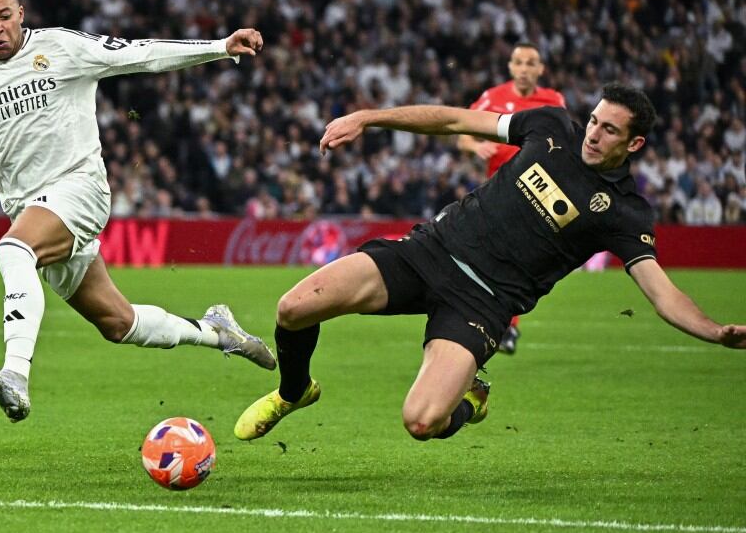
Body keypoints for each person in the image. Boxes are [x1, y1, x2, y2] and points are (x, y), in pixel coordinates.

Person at [235, 83, 746, 443]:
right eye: (593, 120)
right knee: (294, 307)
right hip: (429, 252)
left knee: (421, 422)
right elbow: (455, 120)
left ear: (634, 144)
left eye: (609, 130)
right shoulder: (549, 127)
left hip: (482, 304)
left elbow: (661, 293)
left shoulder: (625, 212)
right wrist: (368, 117)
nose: (593, 134)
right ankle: (294, 391)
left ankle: (470, 397)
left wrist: (715, 331)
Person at [0, 0, 276, 422]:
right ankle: (216, 331)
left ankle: (15, 376)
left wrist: (219, 47)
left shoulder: (62, 47)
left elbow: (140, 54)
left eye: (5, 16)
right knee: (119, 324)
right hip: (32, 210)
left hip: (79, 187)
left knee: (13, 249)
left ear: (21, 14)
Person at [457, 41, 566, 354]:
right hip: (499, 191)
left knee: (517, 260)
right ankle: (503, 325)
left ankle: (503, 324)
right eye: (518, 62)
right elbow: (462, 133)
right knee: (500, 258)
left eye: (530, 63)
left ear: (540, 69)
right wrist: (475, 146)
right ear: (510, 67)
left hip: (537, 191)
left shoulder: (553, 100)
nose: (524, 69)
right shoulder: (492, 97)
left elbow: (564, 141)